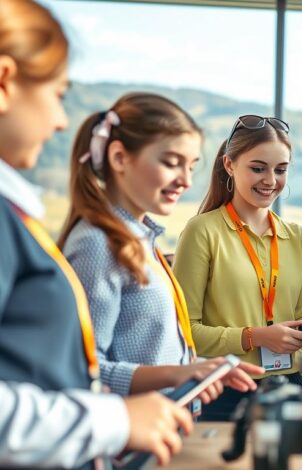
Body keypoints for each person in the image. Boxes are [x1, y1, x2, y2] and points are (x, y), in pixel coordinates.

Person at [0, 1, 190, 466]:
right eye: (59, 93)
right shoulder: (89, 240)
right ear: (4, 81)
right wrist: (117, 421)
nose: (62, 120)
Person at [59, 93, 263, 406]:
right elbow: (87, 371)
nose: (185, 180)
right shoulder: (98, 245)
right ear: (119, 158)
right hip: (128, 441)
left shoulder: (141, 240)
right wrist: (175, 375)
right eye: (171, 163)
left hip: (165, 428)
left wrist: (196, 370)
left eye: (192, 166)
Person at [175, 114, 302, 421]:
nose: (271, 181)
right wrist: (255, 337)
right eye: (258, 168)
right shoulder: (202, 232)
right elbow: (184, 333)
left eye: (281, 170)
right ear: (229, 165)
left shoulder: (299, 237)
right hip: (223, 388)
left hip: (288, 387)